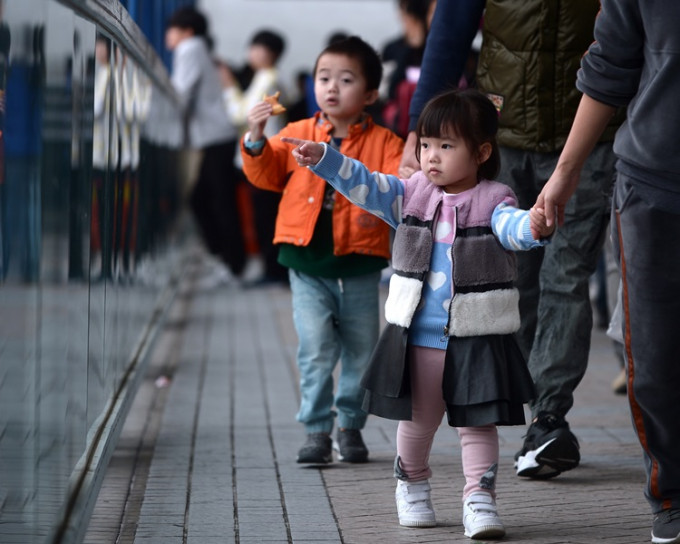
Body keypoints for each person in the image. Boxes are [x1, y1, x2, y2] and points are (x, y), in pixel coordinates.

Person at [283, 88, 554, 539]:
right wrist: (327, 160)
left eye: (447, 146)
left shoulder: (495, 199)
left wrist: (534, 225)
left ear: (482, 152)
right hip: (419, 338)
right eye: (426, 145)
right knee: (418, 421)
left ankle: (479, 500)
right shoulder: (411, 194)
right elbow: (367, 184)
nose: (431, 156)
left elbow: (515, 228)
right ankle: (411, 486)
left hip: (477, 334)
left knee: (477, 424)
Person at [400, 0, 623, 479]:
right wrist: (421, 126)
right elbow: (451, 30)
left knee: (568, 275)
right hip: (500, 138)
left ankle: (548, 419)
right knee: (513, 277)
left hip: (588, 137)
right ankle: (518, 403)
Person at [535, 1, 680, 541]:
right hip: (656, 182)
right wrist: (564, 176)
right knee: (657, 357)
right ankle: (672, 494)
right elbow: (610, 63)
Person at [240, 36, 404, 465]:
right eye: (323, 77)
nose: (331, 86)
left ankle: (350, 426)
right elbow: (267, 173)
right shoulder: (296, 133)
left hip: (360, 264)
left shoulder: (386, 143)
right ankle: (316, 430)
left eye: (346, 79)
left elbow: (397, 189)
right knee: (314, 348)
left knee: (360, 348)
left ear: (370, 94)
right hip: (306, 263)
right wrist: (256, 138)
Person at [165, 7, 245, 285]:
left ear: (186, 31)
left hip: (216, 137)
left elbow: (179, 92)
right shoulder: (198, 49)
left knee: (215, 202)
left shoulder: (188, 48)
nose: (168, 35)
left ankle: (232, 265)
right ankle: (227, 261)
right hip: (216, 137)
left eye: (172, 29)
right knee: (208, 200)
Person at [219, 29, 288, 284]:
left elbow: (241, 115)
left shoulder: (267, 79)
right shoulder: (266, 78)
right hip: (263, 156)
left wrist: (228, 87)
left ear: (272, 54)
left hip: (265, 157)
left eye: (258, 48)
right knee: (264, 214)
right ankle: (273, 270)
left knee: (266, 215)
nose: (252, 53)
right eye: (252, 47)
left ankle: (274, 271)